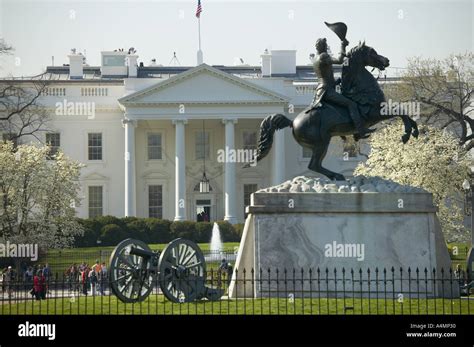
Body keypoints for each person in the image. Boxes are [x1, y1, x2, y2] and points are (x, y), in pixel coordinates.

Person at [306, 37, 374, 139]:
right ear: (323, 46)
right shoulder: (323, 56)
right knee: (351, 104)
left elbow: (325, 76)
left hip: (322, 89)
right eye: (325, 45)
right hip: (327, 90)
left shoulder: (315, 58)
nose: (326, 46)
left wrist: (338, 81)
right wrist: (343, 45)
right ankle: (360, 131)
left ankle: (345, 130)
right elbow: (339, 60)